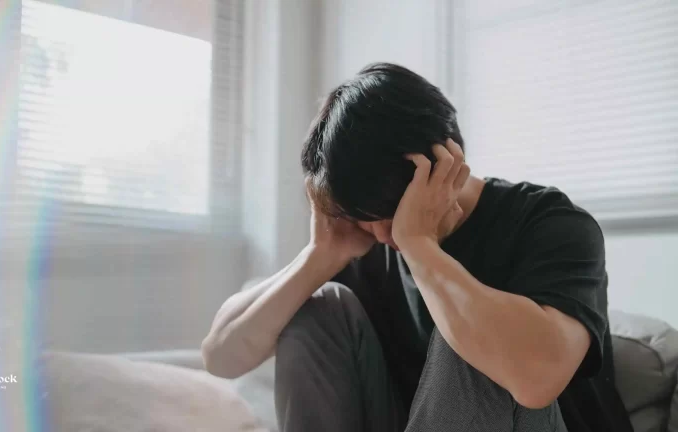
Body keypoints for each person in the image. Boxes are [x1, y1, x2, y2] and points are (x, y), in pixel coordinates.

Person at [201, 63, 633, 432]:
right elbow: (220, 355)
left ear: (449, 164)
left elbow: (539, 377)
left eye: (391, 214)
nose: (383, 235)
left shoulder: (551, 222)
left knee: (474, 334)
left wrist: (421, 246)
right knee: (318, 306)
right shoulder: (366, 235)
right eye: (366, 218)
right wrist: (319, 255)